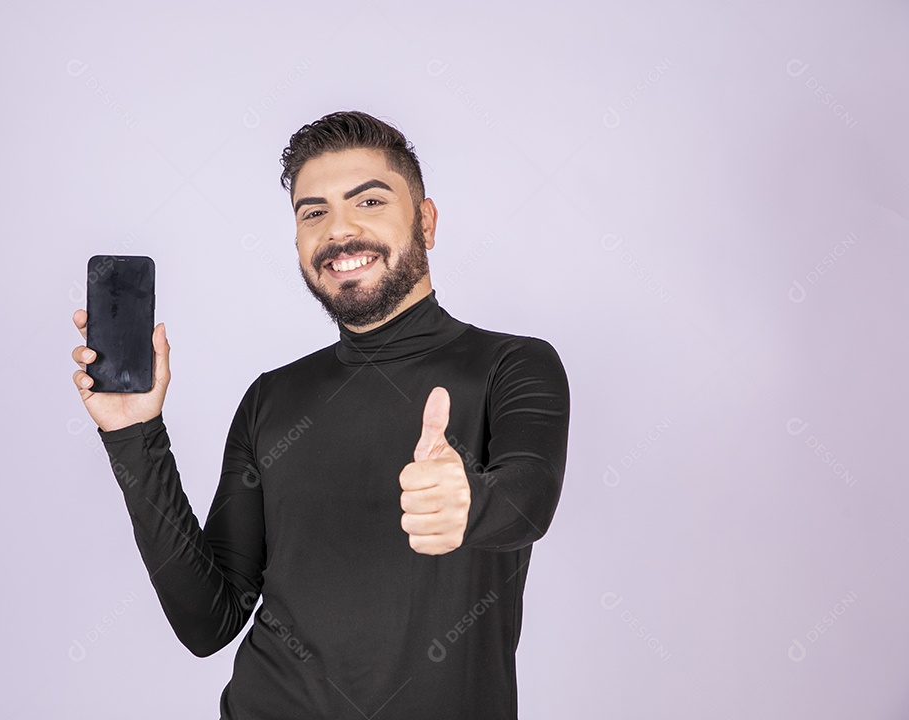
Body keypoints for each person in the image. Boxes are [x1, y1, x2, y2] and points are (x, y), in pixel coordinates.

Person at [69, 110, 570, 719]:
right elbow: (208, 621)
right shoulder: (271, 399)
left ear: (427, 221)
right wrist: (133, 436)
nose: (340, 231)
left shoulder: (511, 365)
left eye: (369, 201)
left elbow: (529, 498)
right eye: (314, 212)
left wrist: (469, 502)